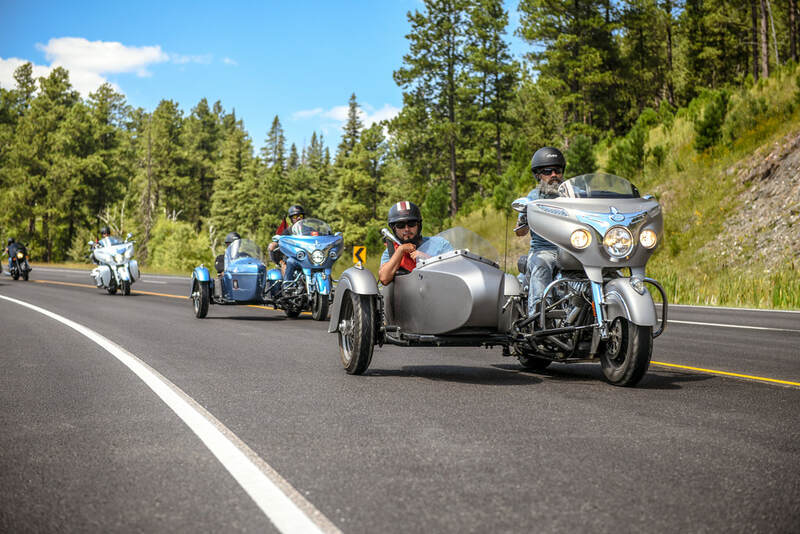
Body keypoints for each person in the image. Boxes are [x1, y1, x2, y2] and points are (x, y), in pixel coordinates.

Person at [514, 147, 566, 316]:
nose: (554, 175)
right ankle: (539, 315)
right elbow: (520, 232)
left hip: (572, 250)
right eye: (547, 172)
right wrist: (525, 216)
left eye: (557, 170)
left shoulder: (572, 195)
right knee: (541, 264)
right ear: (538, 175)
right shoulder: (533, 197)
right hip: (544, 250)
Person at [378, 201, 452, 285]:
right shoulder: (391, 252)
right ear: (394, 228)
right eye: (400, 225)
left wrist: (427, 259)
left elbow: (454, 270)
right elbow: (384, 278)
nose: (406, 229)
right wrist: (400, 250)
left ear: (419, 225)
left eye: (411, 224)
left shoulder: (440, 244)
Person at [268, 205, 306, 278]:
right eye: (295, 216)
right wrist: (281, 262)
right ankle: (288, 283)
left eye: (300, 216)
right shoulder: (287, 231)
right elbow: (280, 241)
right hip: (293, 256)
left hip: (308, 256)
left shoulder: (309, 230)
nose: (298, 218)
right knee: (288, 262)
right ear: (291, 219)